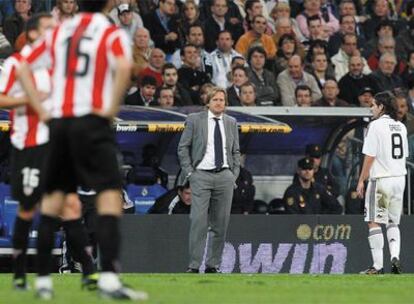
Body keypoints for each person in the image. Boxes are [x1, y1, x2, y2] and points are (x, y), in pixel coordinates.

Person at [18, 0, 148, 300]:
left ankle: (42, 283)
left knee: (54, 200)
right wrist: (109, 109)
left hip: (59, 122)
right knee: (110, 196)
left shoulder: (60, 30)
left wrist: (42, 109)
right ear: (108, 5)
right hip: (91, 120)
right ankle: (109, 280)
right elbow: (125, 67)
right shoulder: (109, 32)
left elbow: (24, 65)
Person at [1, 12, 98, 291]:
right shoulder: (16, 64)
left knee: (70, 207)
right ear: (33, 34)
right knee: (27, 209)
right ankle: (19, 273)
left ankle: (89, 272)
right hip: (28, 146)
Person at [177, 86, 240, 273]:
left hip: (225, 176)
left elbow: (236, 150)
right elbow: (183, 148)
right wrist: (190, 173)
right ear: (208, 102)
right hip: (201, 176)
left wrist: (233, 174)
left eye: (222, 100)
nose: (219, 103)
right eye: (216, 100)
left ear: (226, 103)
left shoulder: (231, 122)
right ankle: (194, 265)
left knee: (221, 223)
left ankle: (213, 265)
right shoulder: (194, 120)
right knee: (198, 222)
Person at [356, 92, 409, 275]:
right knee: (393, 222)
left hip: (381, 180)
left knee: (374, 221)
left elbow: (370, 156)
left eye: (373, 104)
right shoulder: (401, 126)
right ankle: (395, 256)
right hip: (399, 179)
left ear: (381, 107)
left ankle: (377, 266)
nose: (371, 108)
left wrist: (361, 179)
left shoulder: (375, 126)